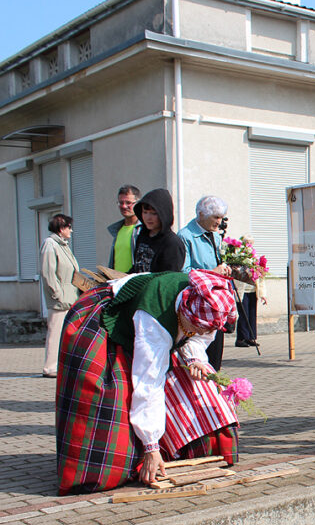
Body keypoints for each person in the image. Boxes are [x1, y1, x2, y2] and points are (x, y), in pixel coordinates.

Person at [55, 269, 240, 495]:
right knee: (111, 397)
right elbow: (148, 382)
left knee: (195, 387)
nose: (197, 332)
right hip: (108, 320)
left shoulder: (208, 303)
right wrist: (151, 446)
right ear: (185, 313)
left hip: (158, 321)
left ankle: (170, 451)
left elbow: (198, 336)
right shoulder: (154, 321)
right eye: (194, 328)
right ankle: (132, 460)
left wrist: (195, 358)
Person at [179, 196, 233, 371]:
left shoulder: (216, 236)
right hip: (197, 306)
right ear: (201, 214)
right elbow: (183, 272)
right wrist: (212, 273)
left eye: (221, 217)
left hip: (216, 304)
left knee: (215, 359)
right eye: (215, 217)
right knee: (198, 358)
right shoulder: (185, 236)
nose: (219, 222)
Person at [40, 214, 80, 378]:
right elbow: (48, 273)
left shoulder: (63, 245)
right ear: (61, 228)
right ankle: (50, 367)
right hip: (60, 300)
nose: (71, 230)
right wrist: (58, 295)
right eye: (69, 227)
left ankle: (62, 365)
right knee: (55, 332)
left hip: (69, 298)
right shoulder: (50, 244)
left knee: (66, 333)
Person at [131, 188, 186, 274]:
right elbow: (137, 268)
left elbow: (169, 277)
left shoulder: (172, 243)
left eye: (154, 213)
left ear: (163, 214)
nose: (148, 218)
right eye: (145, 212)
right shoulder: (143, 235)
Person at [107, 184, 142, 273]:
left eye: (128, 203)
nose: (124, 206)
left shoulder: (143, 230)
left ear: (138, 204)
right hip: (118, 280)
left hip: (135, 280)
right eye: (120, 203)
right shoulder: (118, 230)